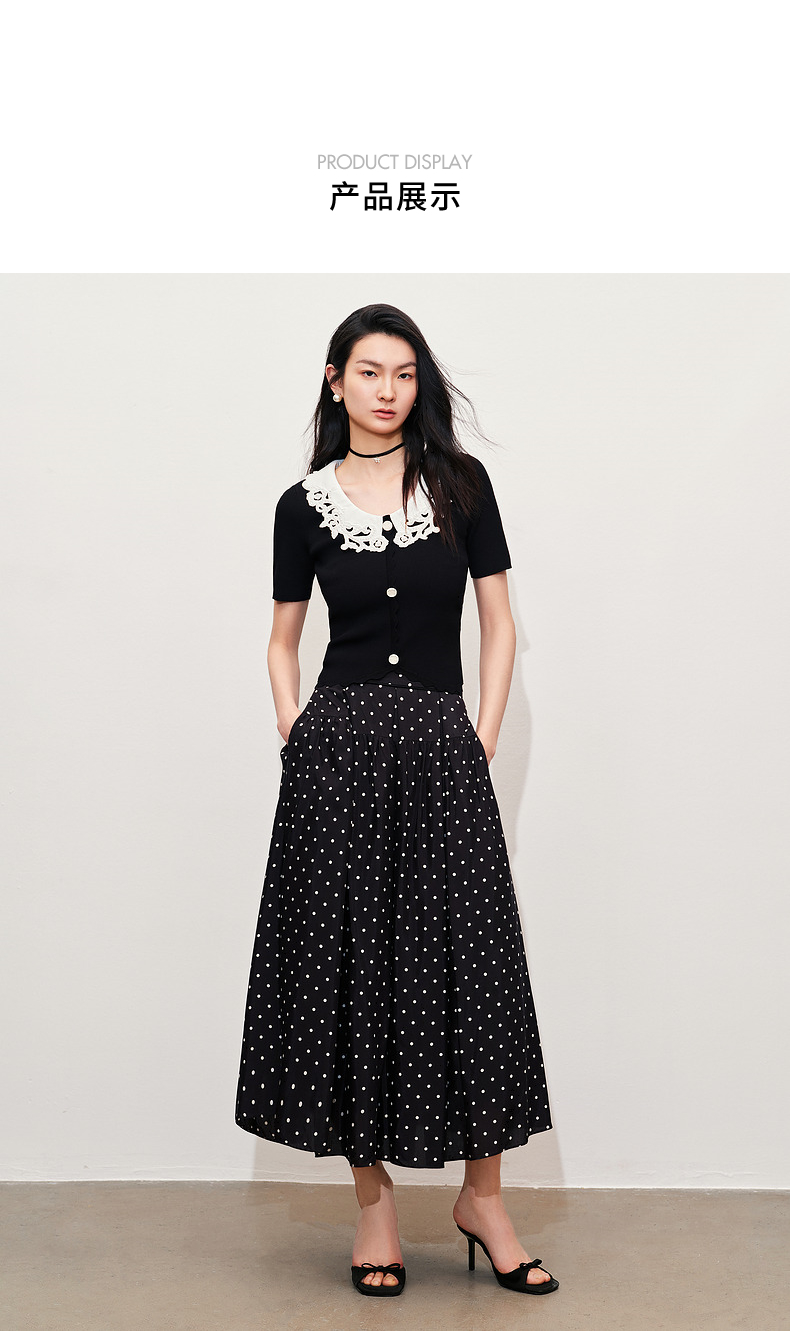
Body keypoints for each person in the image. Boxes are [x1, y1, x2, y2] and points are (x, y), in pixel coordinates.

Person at [235, 304, 558, 1298]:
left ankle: (482, 1199)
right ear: (335, 380)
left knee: (470, 965)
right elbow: (282, 637)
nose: (388, 390)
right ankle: (372, 1205)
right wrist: (295, 727)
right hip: (336, 760)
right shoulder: (301, 505)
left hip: (439, 748)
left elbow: (500, 625)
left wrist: (481, 735)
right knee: (347, 969)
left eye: (405, 373)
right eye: (369, 371)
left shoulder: (461, 486)